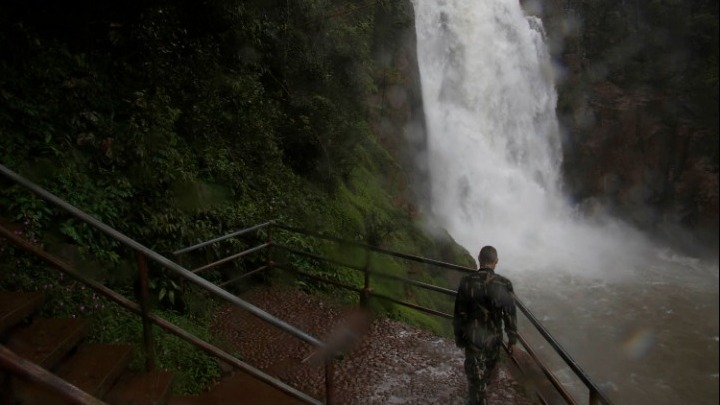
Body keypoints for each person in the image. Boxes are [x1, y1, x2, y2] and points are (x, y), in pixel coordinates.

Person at [454, 245, 518, 405]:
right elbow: (510, 314)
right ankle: (477, 398)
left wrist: (458, 337)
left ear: (479, 259)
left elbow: (459, 313)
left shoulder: (466, 281)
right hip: (493, 340)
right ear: (496, 261)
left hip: (472, 338)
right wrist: (512, 339)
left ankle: (475, 398)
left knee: (476, 376)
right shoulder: (504, 284)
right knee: (485, 375)